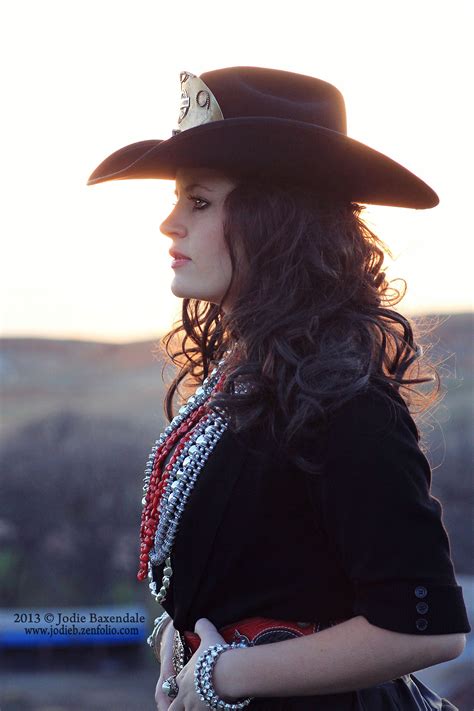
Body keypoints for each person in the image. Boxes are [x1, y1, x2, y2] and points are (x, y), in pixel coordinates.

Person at [87, 67, 470, 710]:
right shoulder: (253, 377)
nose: (169, 224)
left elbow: (425, 628)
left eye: (199, 201)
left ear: (276, 223)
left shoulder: (344, 402)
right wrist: (179, 651)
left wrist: (226, 676)